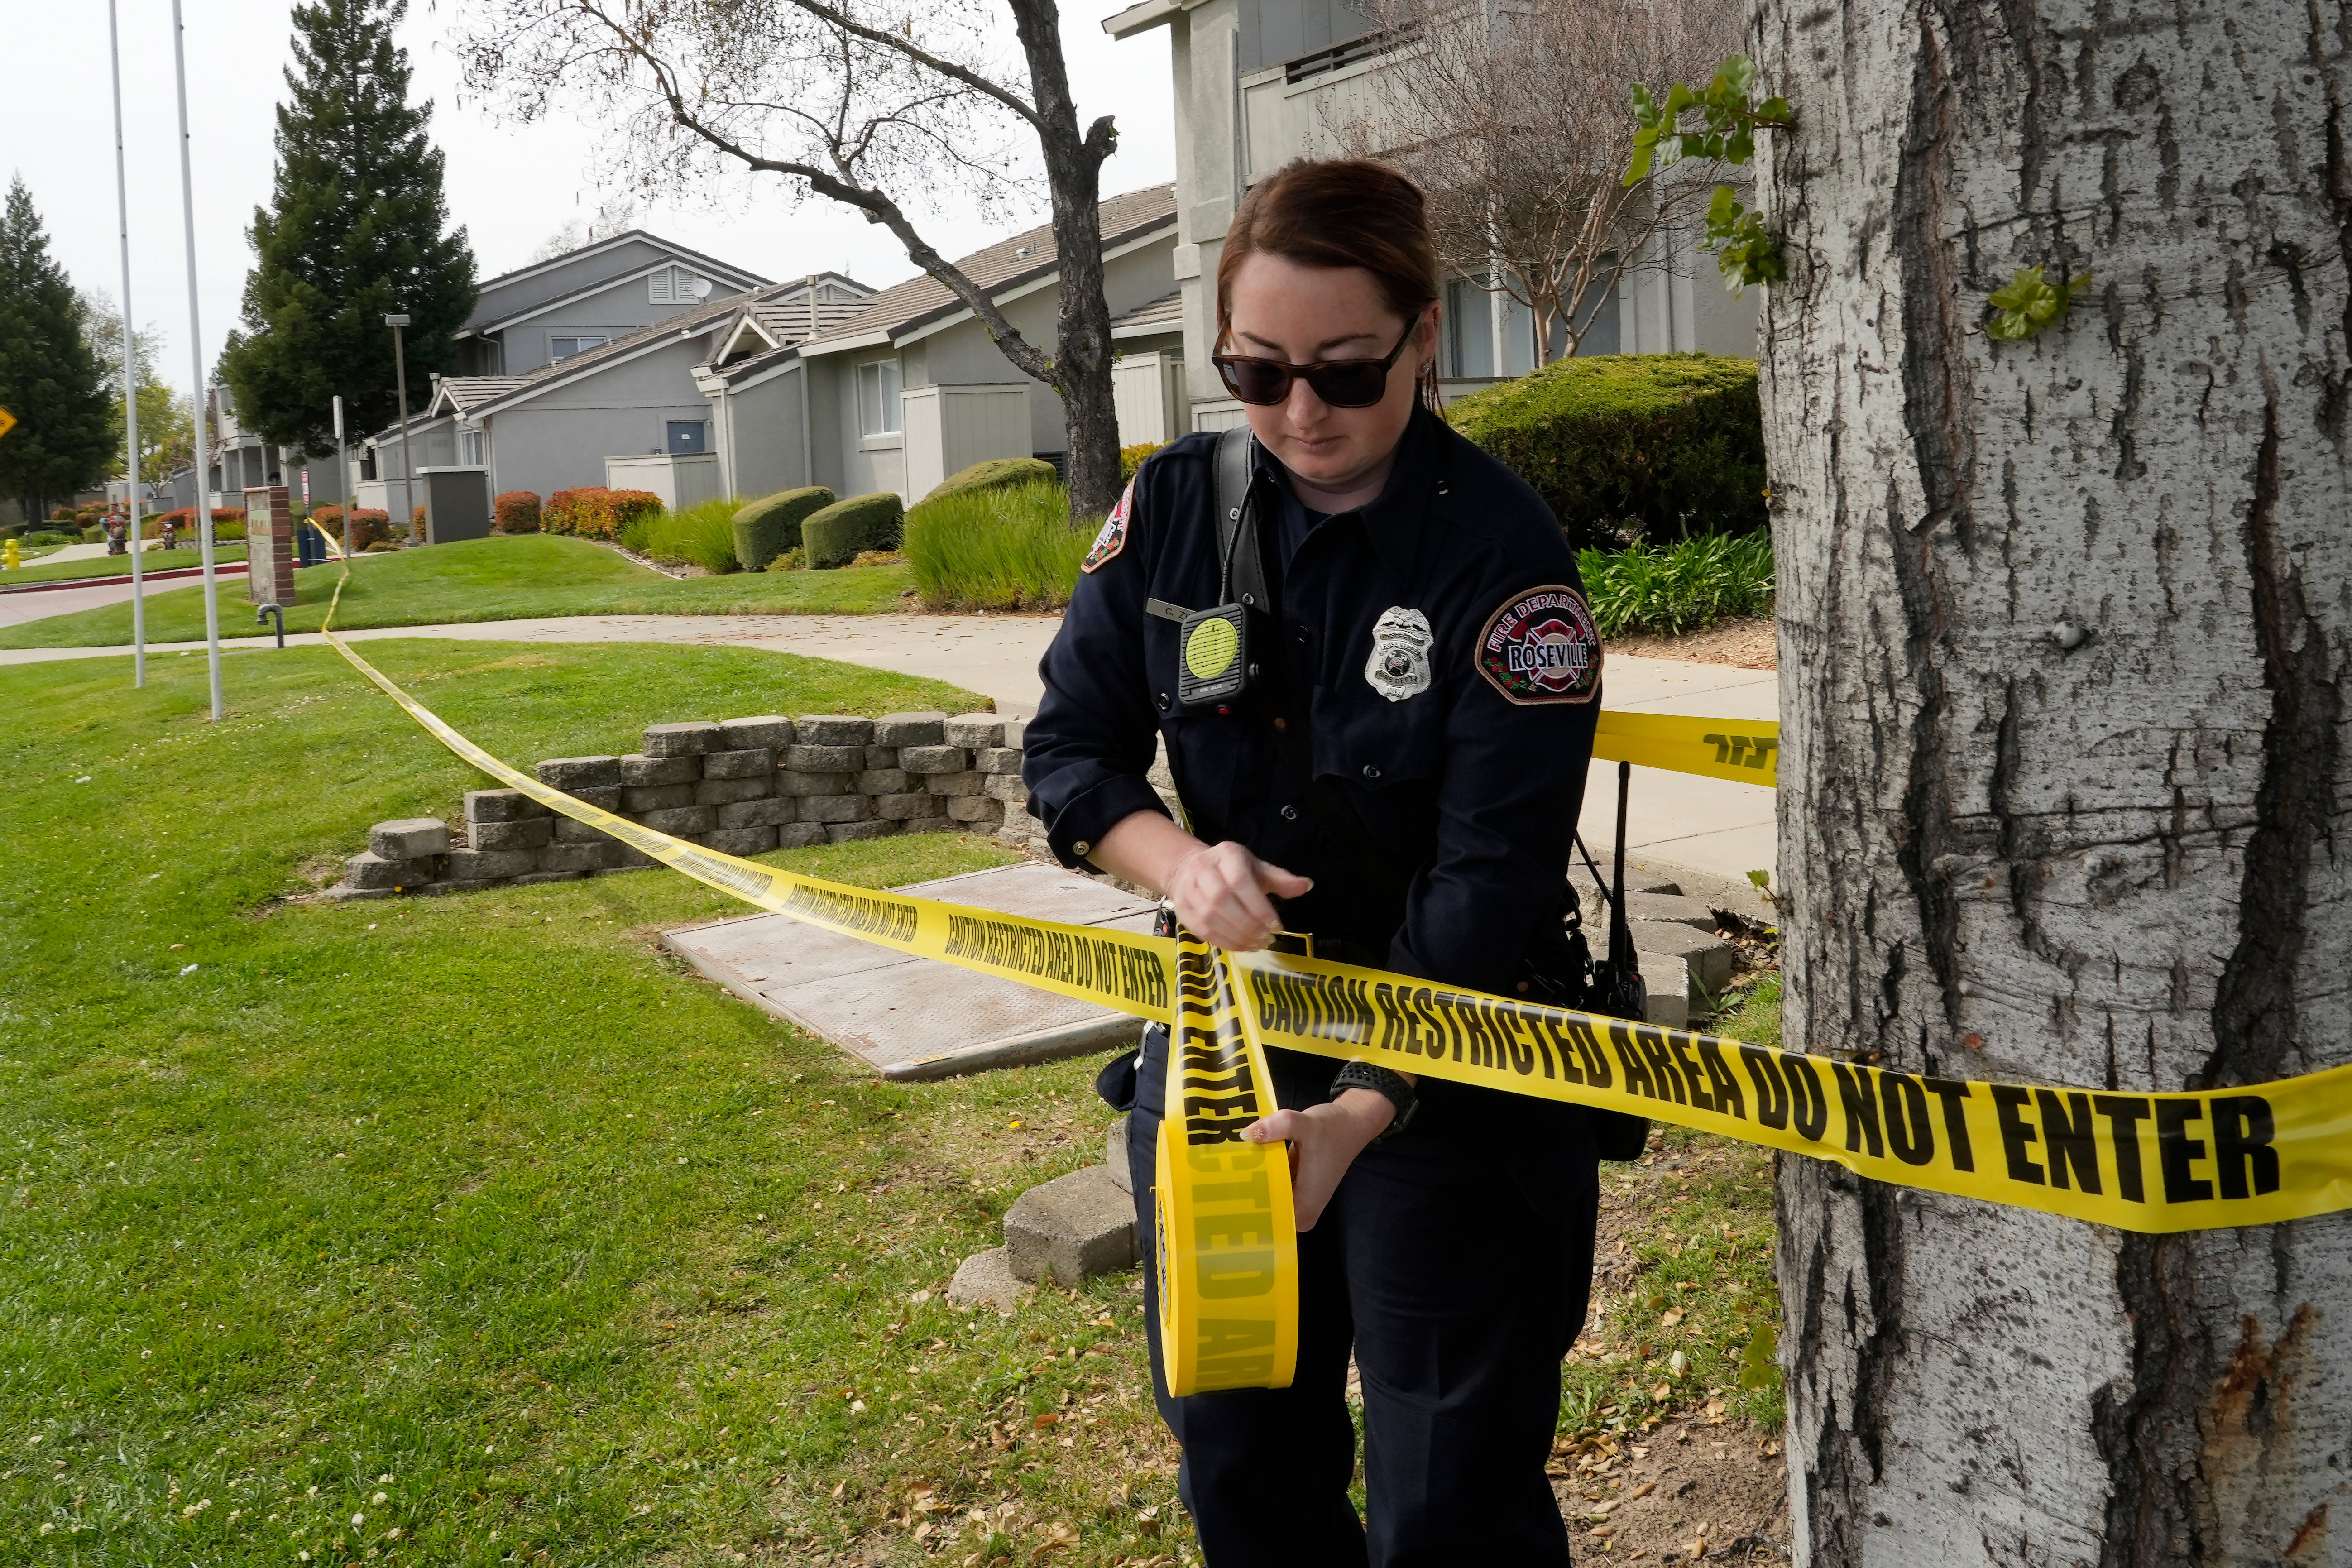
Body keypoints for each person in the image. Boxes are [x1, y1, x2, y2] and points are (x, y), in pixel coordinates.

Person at [1022, 158, 1608, 1567]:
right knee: (1242, 1467)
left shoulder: (1503, 560)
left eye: (1346, 374)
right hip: (1226, 1058)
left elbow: (1491, 874)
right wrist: (1174, 864)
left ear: (1422, 335)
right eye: (1255, 370)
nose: (1299, 415)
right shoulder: (1171, 506)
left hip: (1446, 1068)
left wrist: (1365, 1104)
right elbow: (1069, 757)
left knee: (1445, 1501)